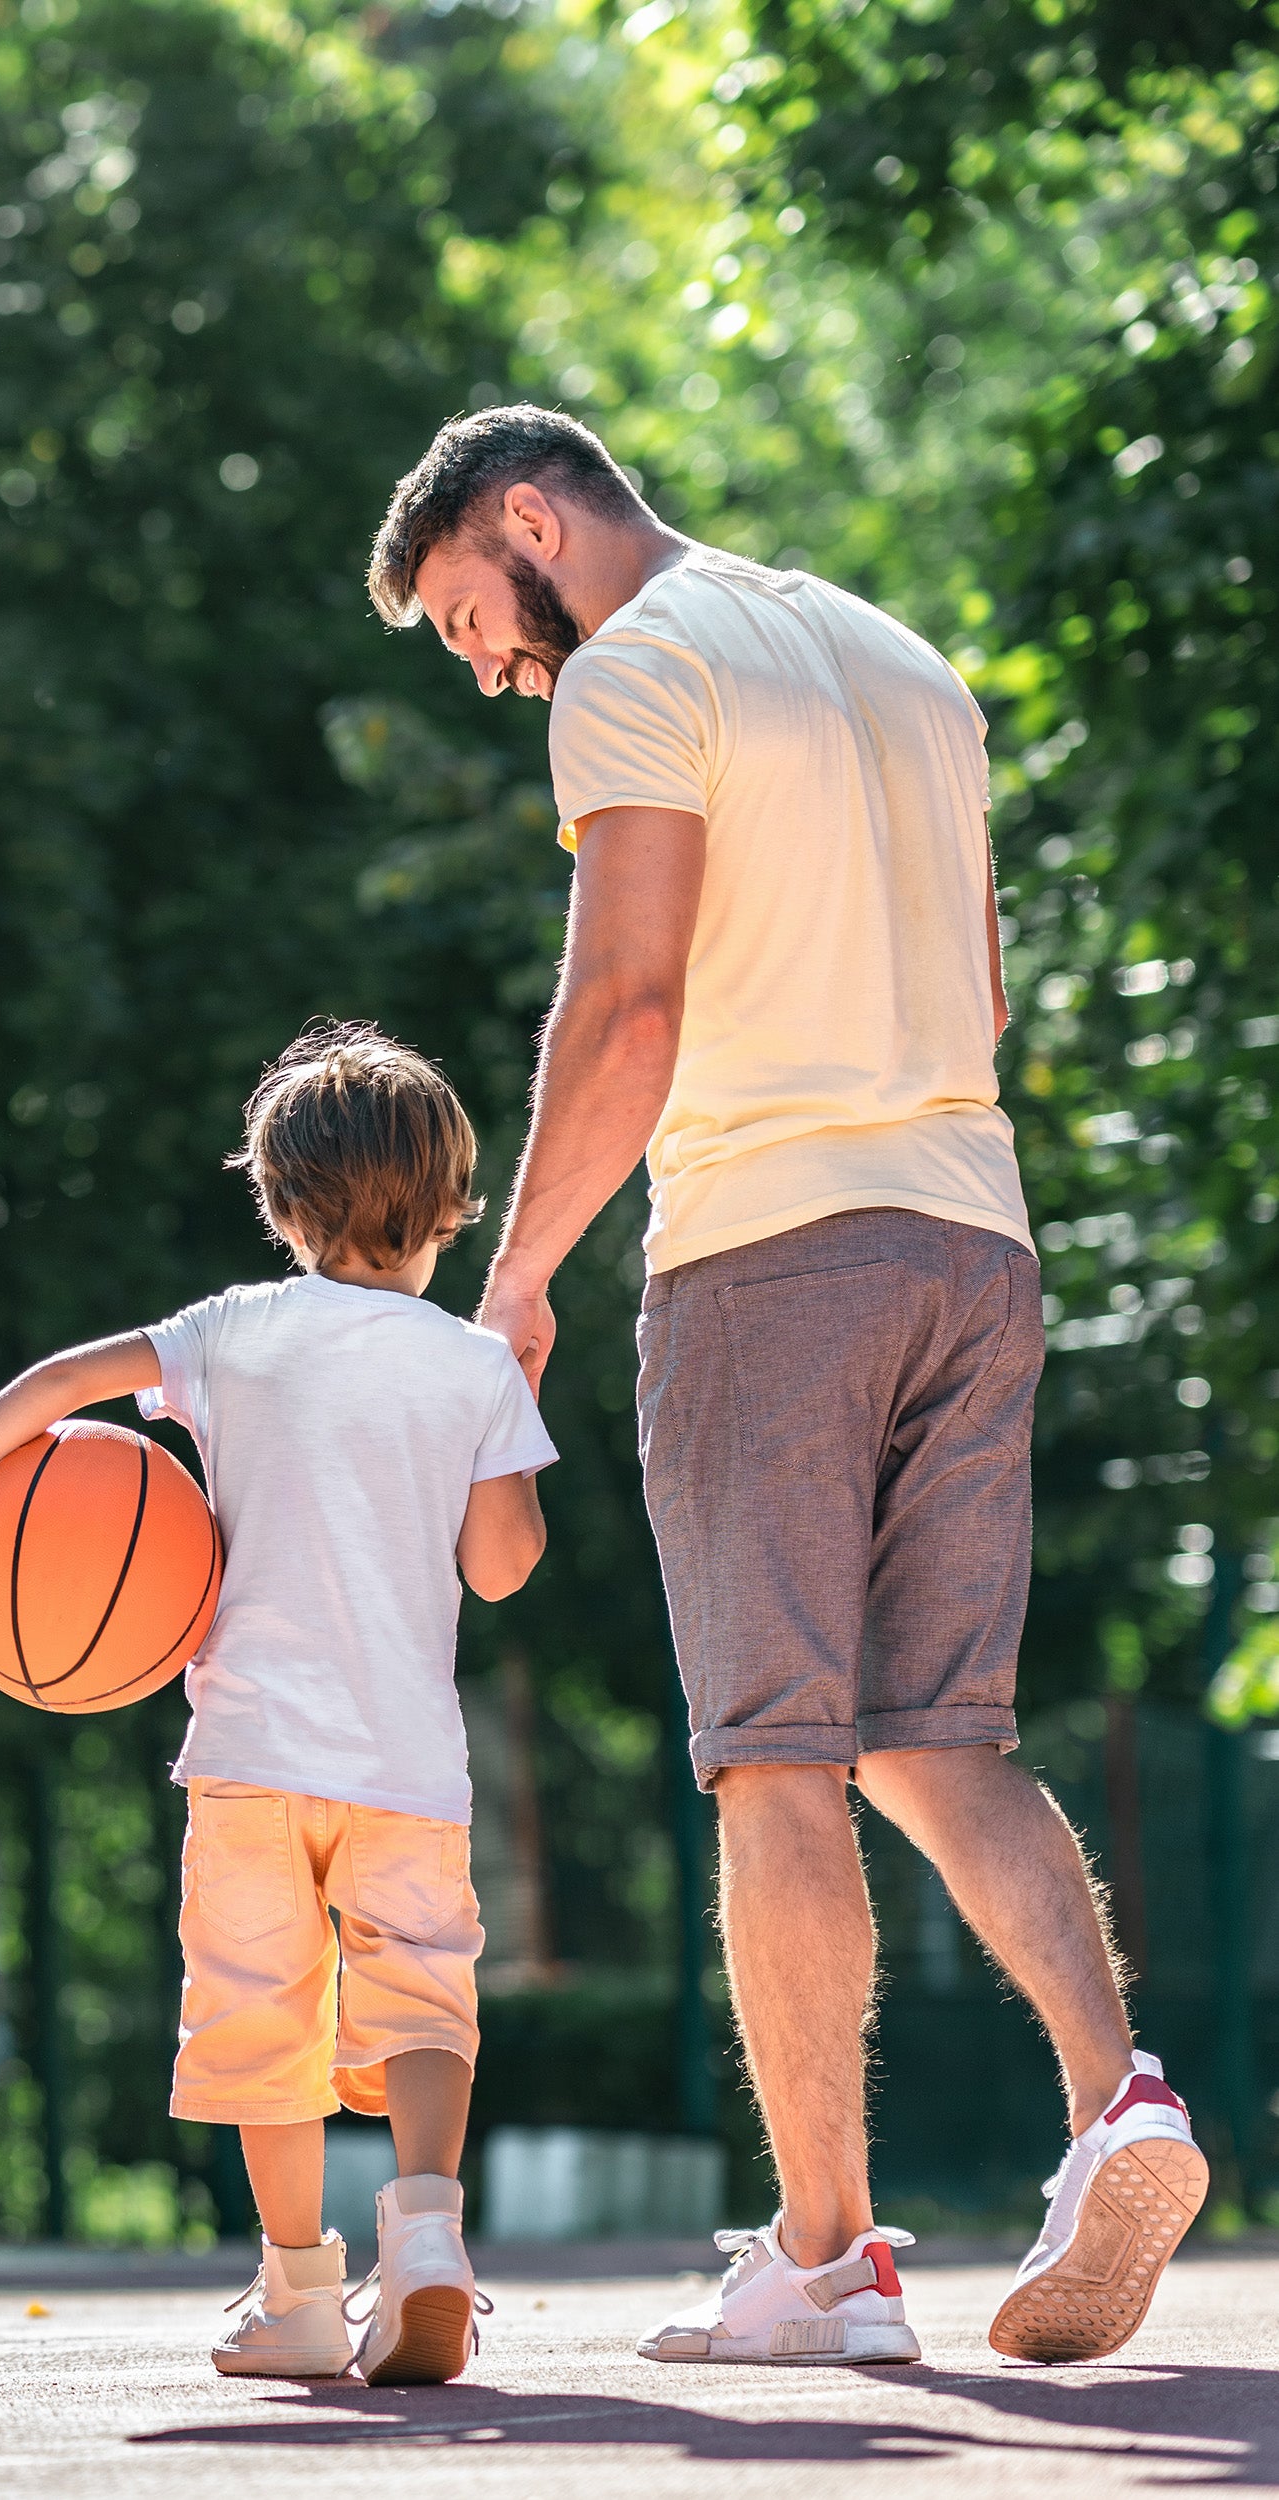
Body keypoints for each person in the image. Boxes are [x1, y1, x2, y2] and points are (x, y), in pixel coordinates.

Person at [363, 403, 1208, 2367]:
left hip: (768, 1252)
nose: (487, 666)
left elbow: (629, 996)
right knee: (939, 1737)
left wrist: (514, 1275)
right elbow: (983, 993)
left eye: (470, 623)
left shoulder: (637, 669)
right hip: (972, 1239)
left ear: (523, 518)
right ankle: (1118, 2097)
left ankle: (825, 2257)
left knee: (770, 1749)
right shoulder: (900, 660)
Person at [0, 1021, 555, 2383]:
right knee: (423, 2003)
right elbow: (500, 1574)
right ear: (449, 1206)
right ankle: (427, 2229)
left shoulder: (231, 1333)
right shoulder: (472, 1365)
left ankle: (299, 2293)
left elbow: (63, 1387)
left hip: (252, 1757)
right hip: (409, 1766)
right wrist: (510, 1414)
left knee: (270, 2021)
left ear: (280, 1201)